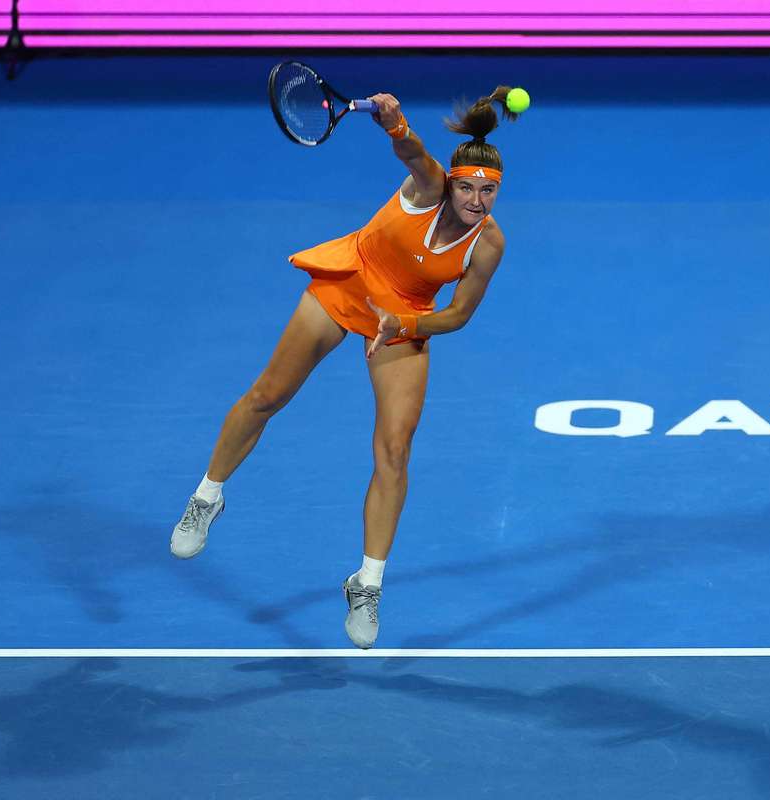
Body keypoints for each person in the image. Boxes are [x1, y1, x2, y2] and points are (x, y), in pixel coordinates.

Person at [170, 86, 518, 649]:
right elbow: (413, 153)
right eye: (468, 187)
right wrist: (396, 123)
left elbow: (457, 315)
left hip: (402, 316)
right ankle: (207, 497)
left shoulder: (489, 245)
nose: (477, 200)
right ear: (451, 182)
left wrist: (403, 324)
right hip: (349, 281)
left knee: (395, 450)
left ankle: (367, 583)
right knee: (267, 396)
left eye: (488, 191)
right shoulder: (429, 186)